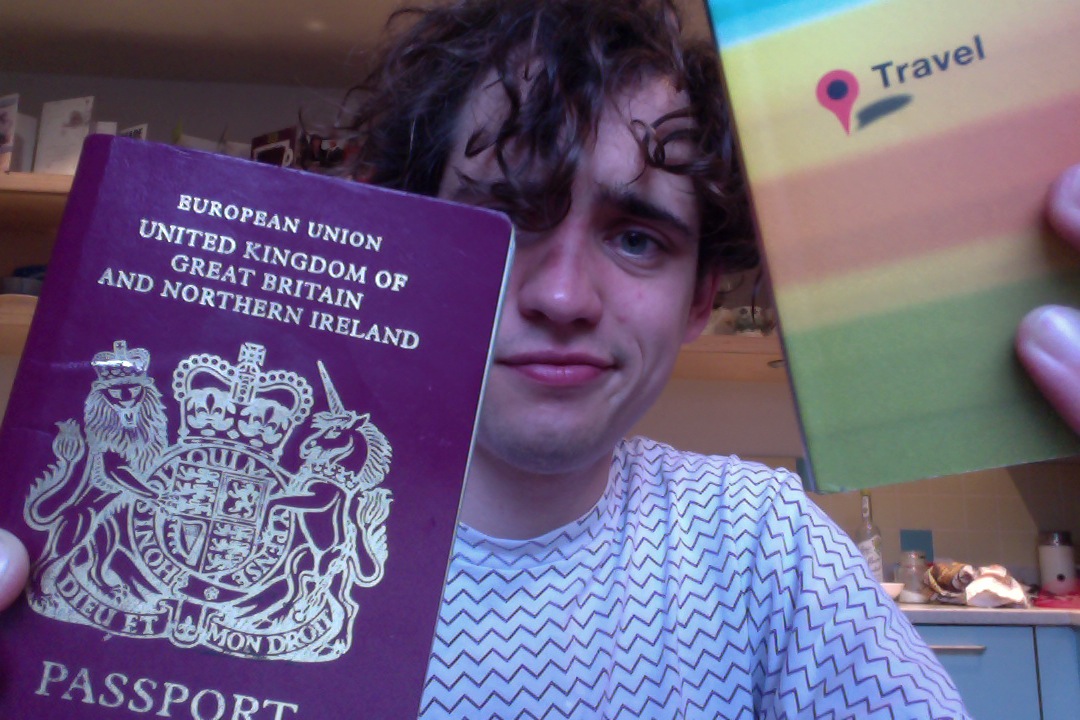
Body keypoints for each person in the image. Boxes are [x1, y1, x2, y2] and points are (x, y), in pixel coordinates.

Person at [1, 0, 1079, 716]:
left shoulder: (764, 549)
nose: (563, 296)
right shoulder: (157, 536)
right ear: (404, 250)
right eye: (505, 219)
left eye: (637, 236)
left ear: (704, 297)